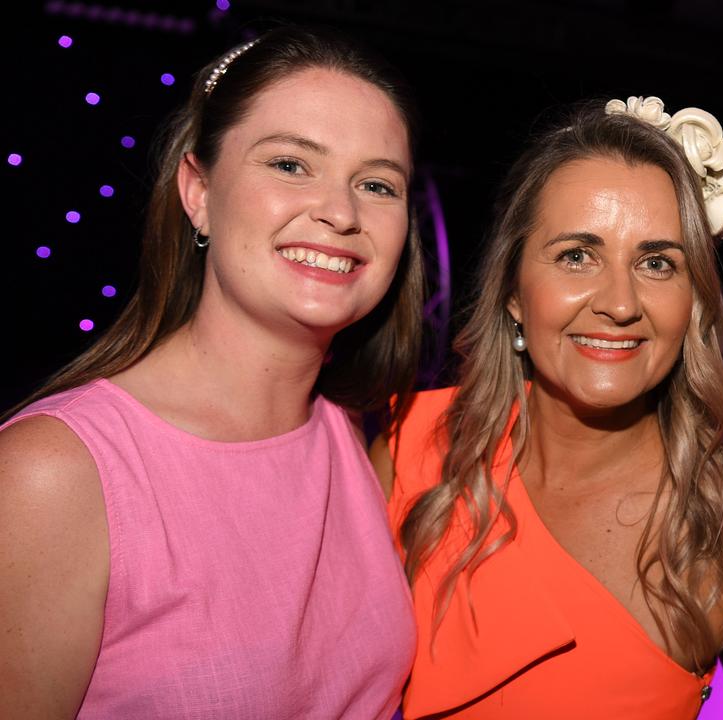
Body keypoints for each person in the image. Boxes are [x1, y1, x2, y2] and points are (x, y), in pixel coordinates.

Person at [0, 27, 424, 718]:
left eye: (377, 184)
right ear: (198, 191)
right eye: (290, 164)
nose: (340, 213)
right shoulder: (52, 475)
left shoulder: (366, 445)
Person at [375, 96, 723, 719]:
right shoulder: (408, 449)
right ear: (513, 292)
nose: (620, 302)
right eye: (576, 256)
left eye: (657, 263)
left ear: (692, 302)